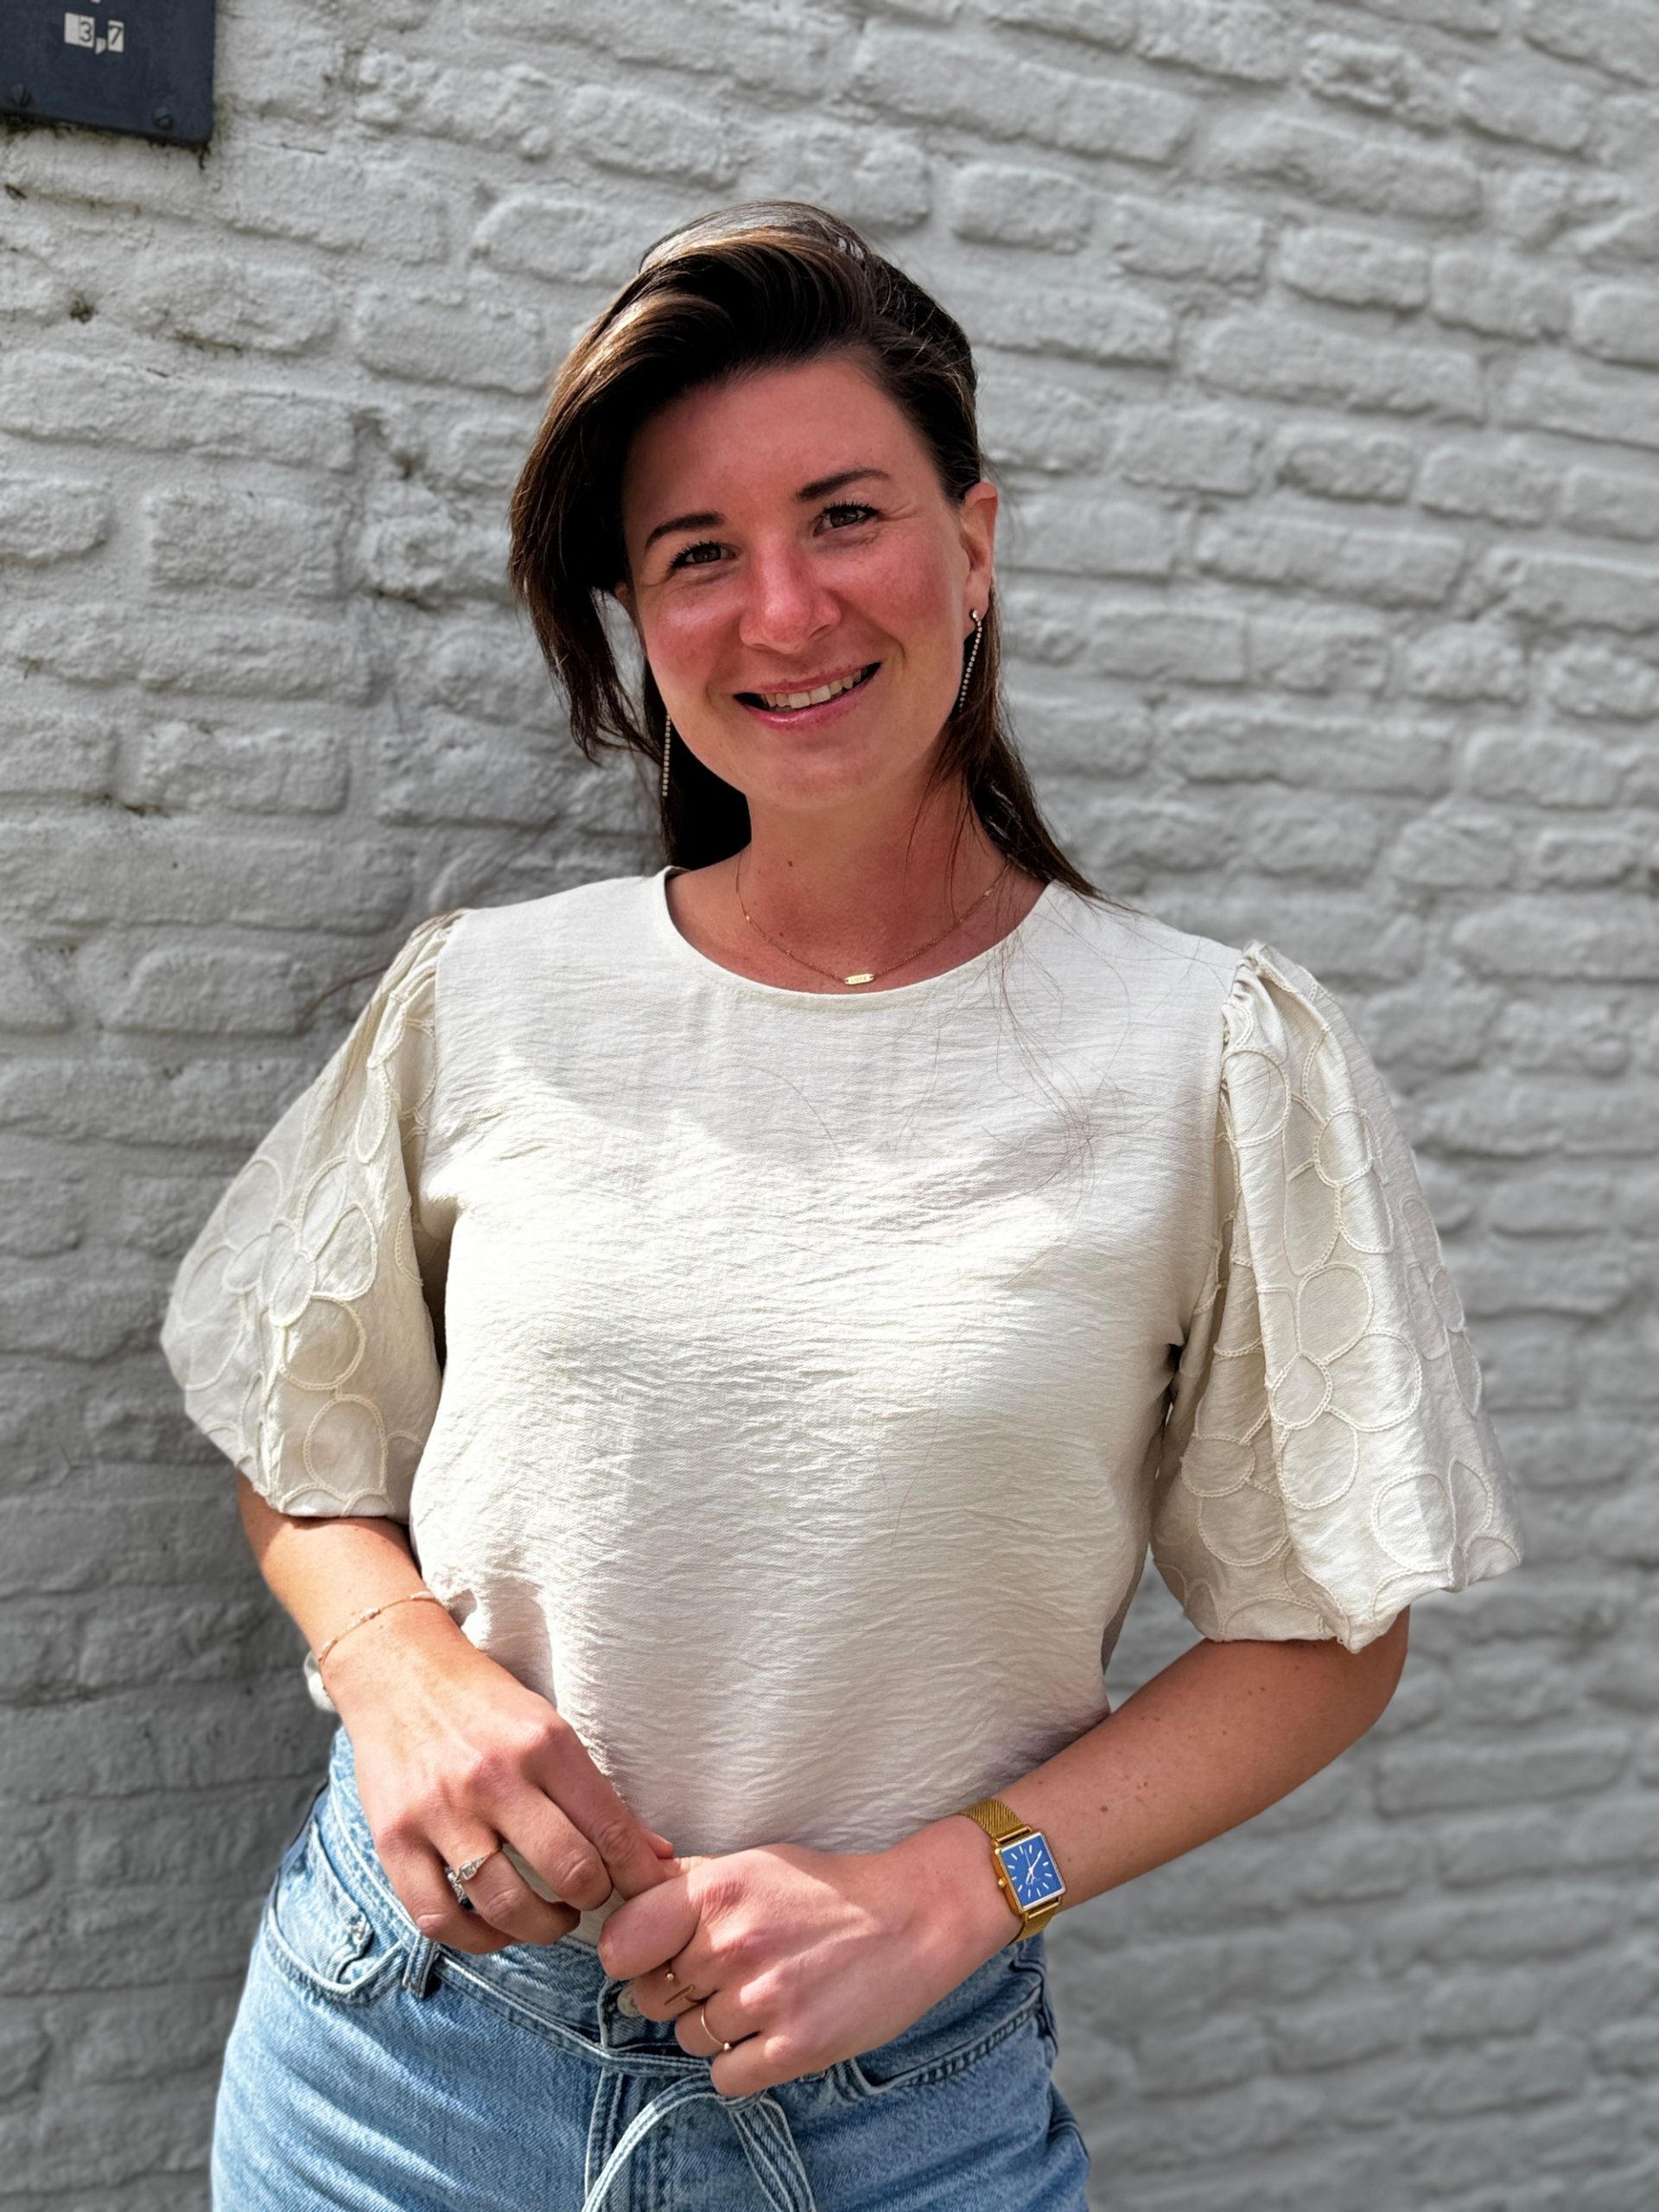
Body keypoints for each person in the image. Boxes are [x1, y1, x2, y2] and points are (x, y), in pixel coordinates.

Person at [160, 200, 1526, 2211]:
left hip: (896, 2115)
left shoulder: (1209, 1053)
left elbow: (1324, 1627)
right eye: (697, 553)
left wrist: (967, 1884)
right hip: (397, 2064)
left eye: (845, 516)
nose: (783, 609)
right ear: (640, 619)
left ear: (974, 543)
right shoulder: (489, 998)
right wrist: (397, 1669)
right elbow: (301, 1435)